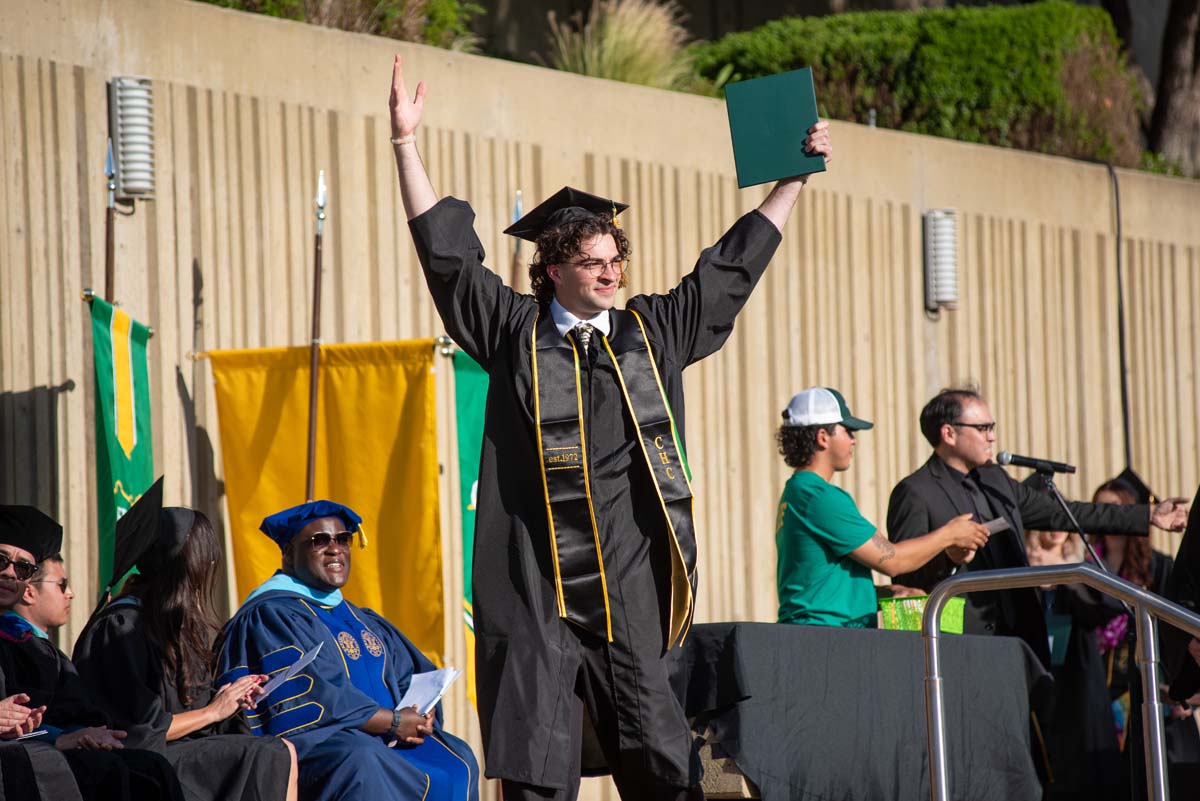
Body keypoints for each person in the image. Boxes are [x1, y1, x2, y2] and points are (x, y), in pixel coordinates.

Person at [389, 52, 833, 800]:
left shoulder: (649, 333)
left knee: (665, 765)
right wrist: (406, 145)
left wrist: (791, 180)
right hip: (537, 597)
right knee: (536, 773)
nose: (609, 271)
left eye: (613, 258)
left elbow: (729, 271)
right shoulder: (512, 332)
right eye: (591, 260)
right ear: (553, 268)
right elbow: (449, 260)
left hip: (631, 594)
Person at [885, 387, 1189, 666]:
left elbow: (1063, 513)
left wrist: (1147, 515)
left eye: (992, 428)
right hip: (958, 645)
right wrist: (948, 559)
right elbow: (906, 576)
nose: (992, 437)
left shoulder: (995, 480)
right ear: (948, 433)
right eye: (982, 428)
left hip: (1019, 639)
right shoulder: (916, 491)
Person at [215, 500, 478, 801]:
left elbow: (409, 674)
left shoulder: (361, 619)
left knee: (456, 757)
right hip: (323, 745)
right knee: (361, 760)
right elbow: (312, 697)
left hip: (384, 739)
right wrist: (392, 721)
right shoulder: (272, 615)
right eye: (319, 541)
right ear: (289, 553)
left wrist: (422, 713)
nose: (335, 548)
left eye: (343, 539)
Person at [72, 484, 298, 801]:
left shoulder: (176, 628)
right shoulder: (120, 628)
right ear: (185, 565)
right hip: (140, 766)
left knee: (278, 749)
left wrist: (231, 699)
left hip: (178, 754)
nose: (209, 570)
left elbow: (202, 713)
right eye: (205, 561)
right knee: (274, 753)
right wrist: (213, 712)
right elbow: (136, 731)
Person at [0, 504, 183, 801]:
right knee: (86, 768)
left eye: (22, 568)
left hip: (34, 747)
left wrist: (68, 733)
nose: (10, 573)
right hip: (26, 761)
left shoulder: (30, 646)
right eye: (1, 561)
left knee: (149, 769)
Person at [773, 387, 989, 627]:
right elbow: (892, 560)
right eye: (849, 431)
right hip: (825, 637)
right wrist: (949, 535)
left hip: (821, 634)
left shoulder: (800, 491)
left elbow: (820, 585)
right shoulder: (818, 497)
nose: (854, 440)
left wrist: (887, 593)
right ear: (823, 437)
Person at [1023, 520, 1123, 801]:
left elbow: (1108, 609)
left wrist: (1066, 572)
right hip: (1036, 675)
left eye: (1062, 523)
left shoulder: (1082, 565)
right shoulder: (1019, 564)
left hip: (1076, 677)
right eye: (1047, 522)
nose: (1055, 530)